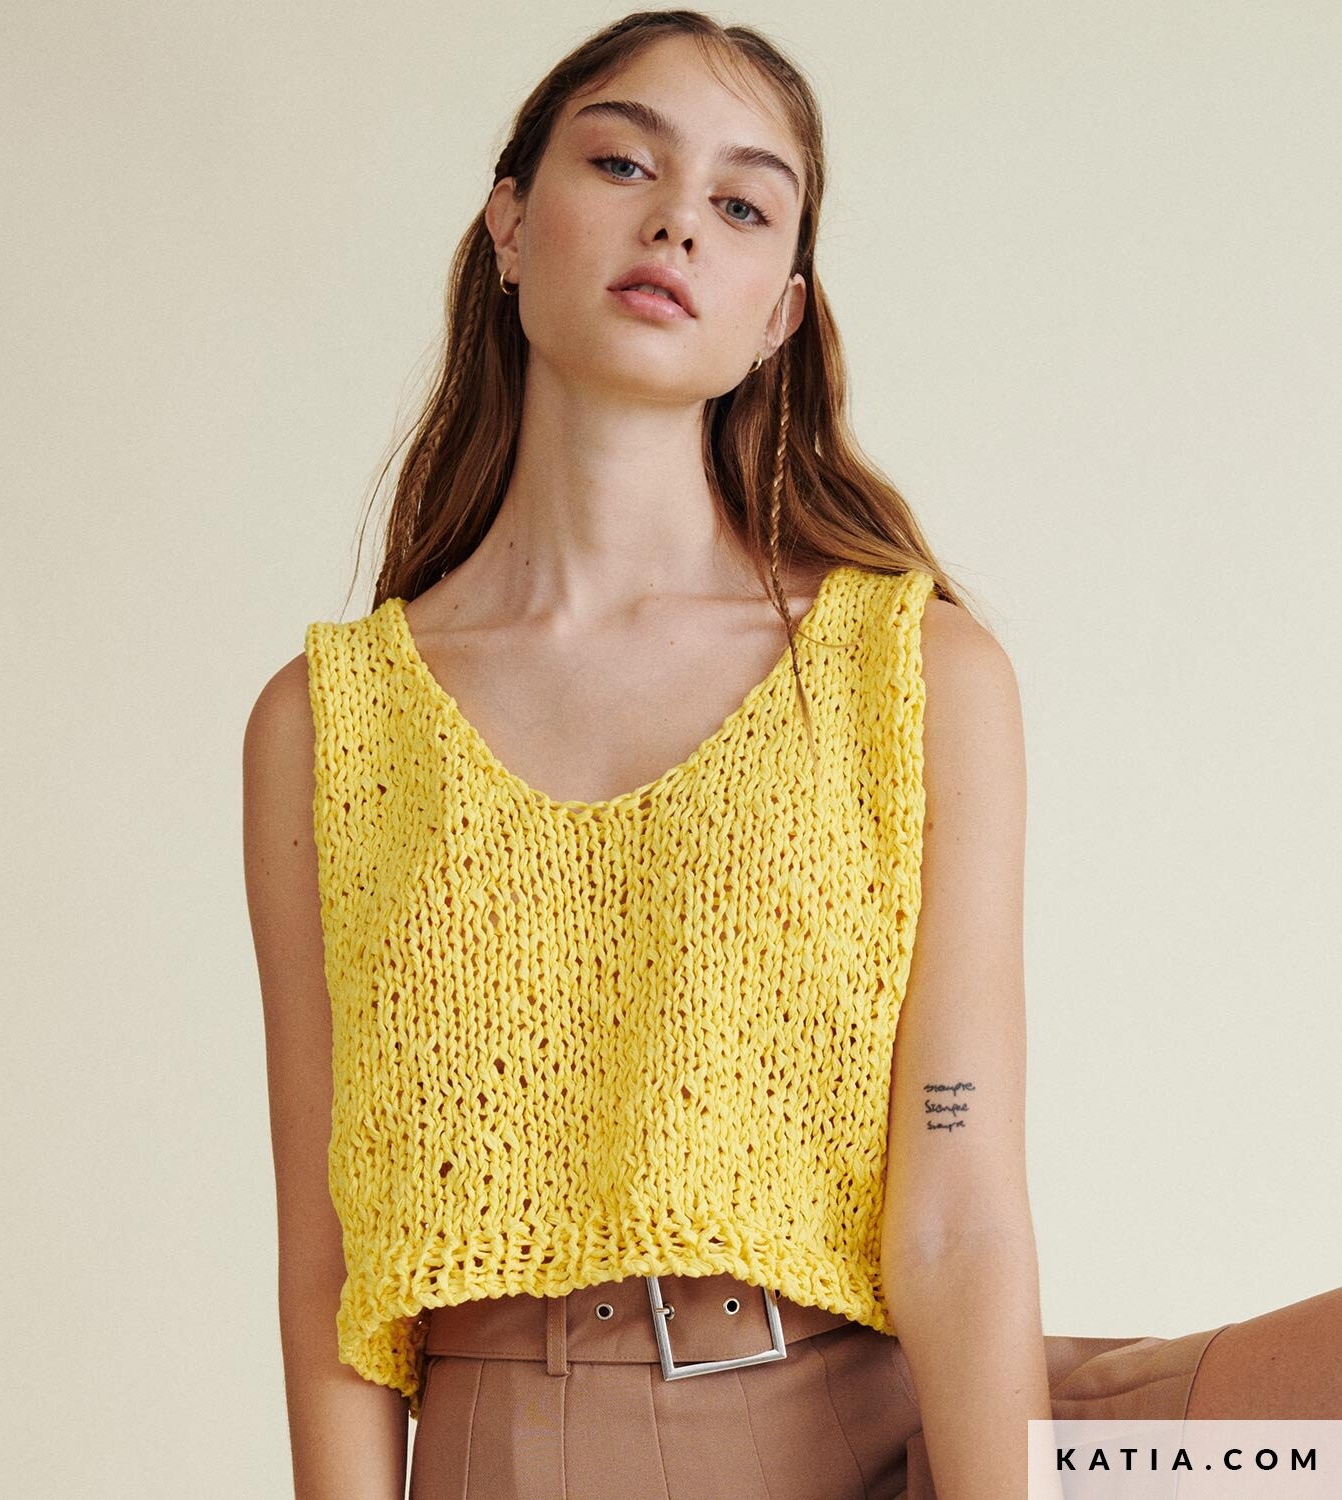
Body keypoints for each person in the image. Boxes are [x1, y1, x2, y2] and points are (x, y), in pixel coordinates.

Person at [243, 12, 1342, 1499]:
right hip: (529, 1450)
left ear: (779, 315)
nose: (677, 222)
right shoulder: (329, 724)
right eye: (622, 163)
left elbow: (958, 1204)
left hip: (909, 1425)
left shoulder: (917, 671)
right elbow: (331, 1265)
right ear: (508, 223)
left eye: (744, 205)